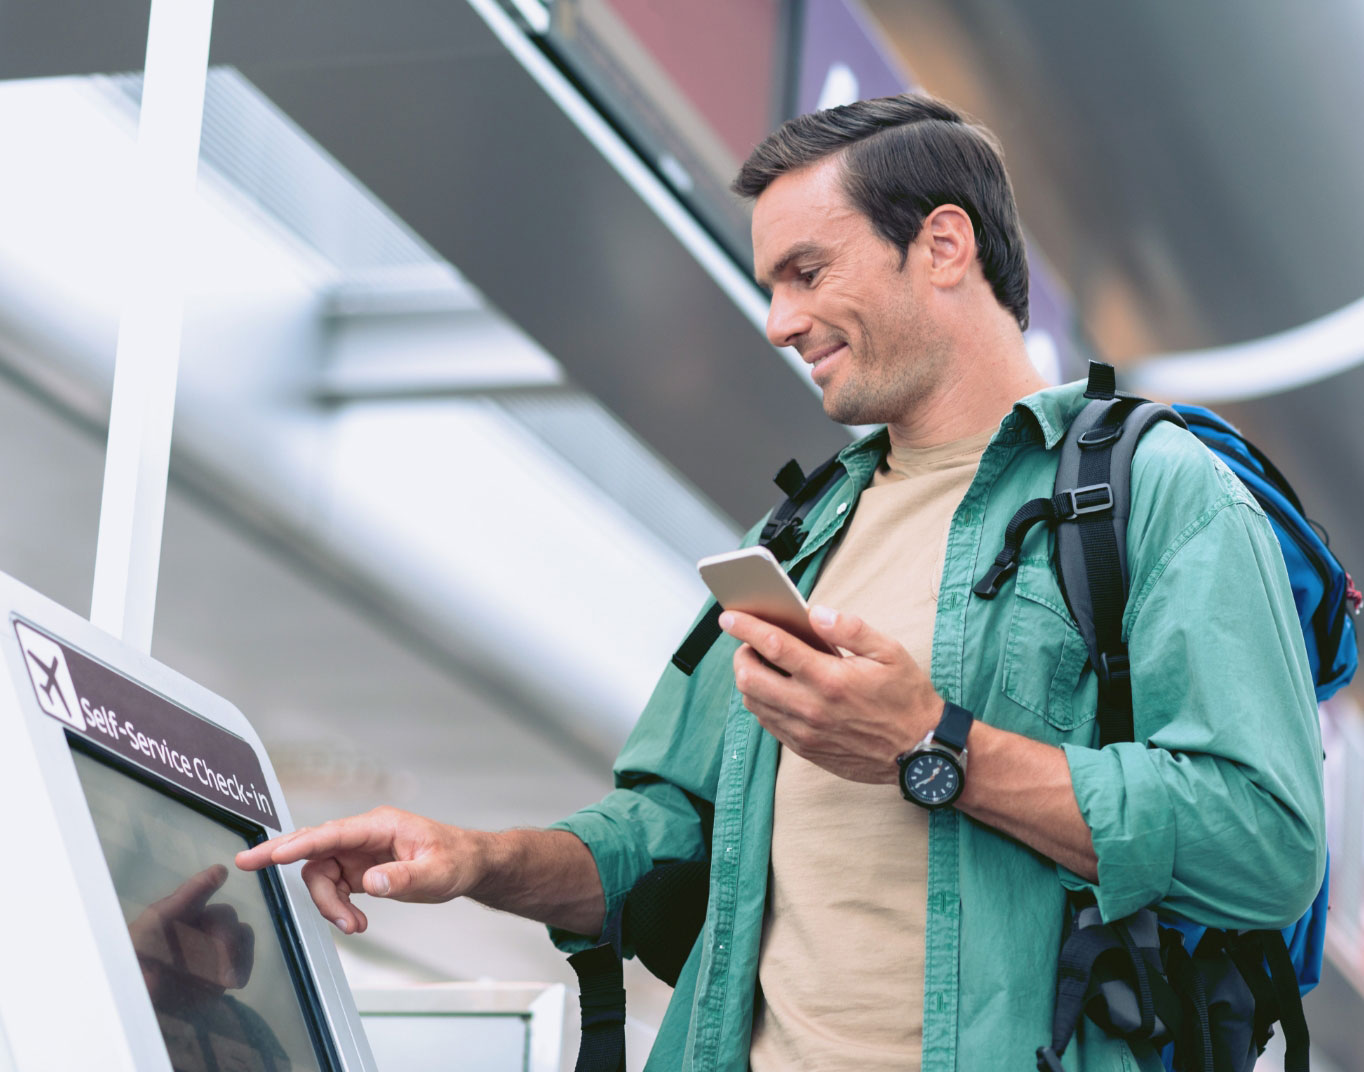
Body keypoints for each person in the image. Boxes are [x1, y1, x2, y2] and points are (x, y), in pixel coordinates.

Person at [237, 94, 1325, 1071]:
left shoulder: (1158, 492)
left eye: (807, 271)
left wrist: (932, 744)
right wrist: (477, 857)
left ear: (941, 244)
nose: (777, 321)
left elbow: (1264, 846)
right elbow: (665, 835)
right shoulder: (797, 535)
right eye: (770, 285)